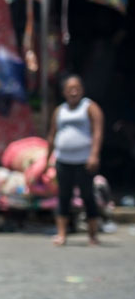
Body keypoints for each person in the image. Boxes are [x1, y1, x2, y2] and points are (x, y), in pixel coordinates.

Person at [46, 74, 104, 246]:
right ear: (64, 92)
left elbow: (98, 132)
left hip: (83, 160)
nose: (73, 92)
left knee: (87, 196)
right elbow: (52, 134)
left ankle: (92, 235)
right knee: (64, 196)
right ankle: (62, 234)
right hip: (63, 160)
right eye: (70, 89)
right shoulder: (60, 110)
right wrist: (47, 158)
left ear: (82, 90)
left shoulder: (90, 107)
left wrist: (94, 154)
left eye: (76, 88)